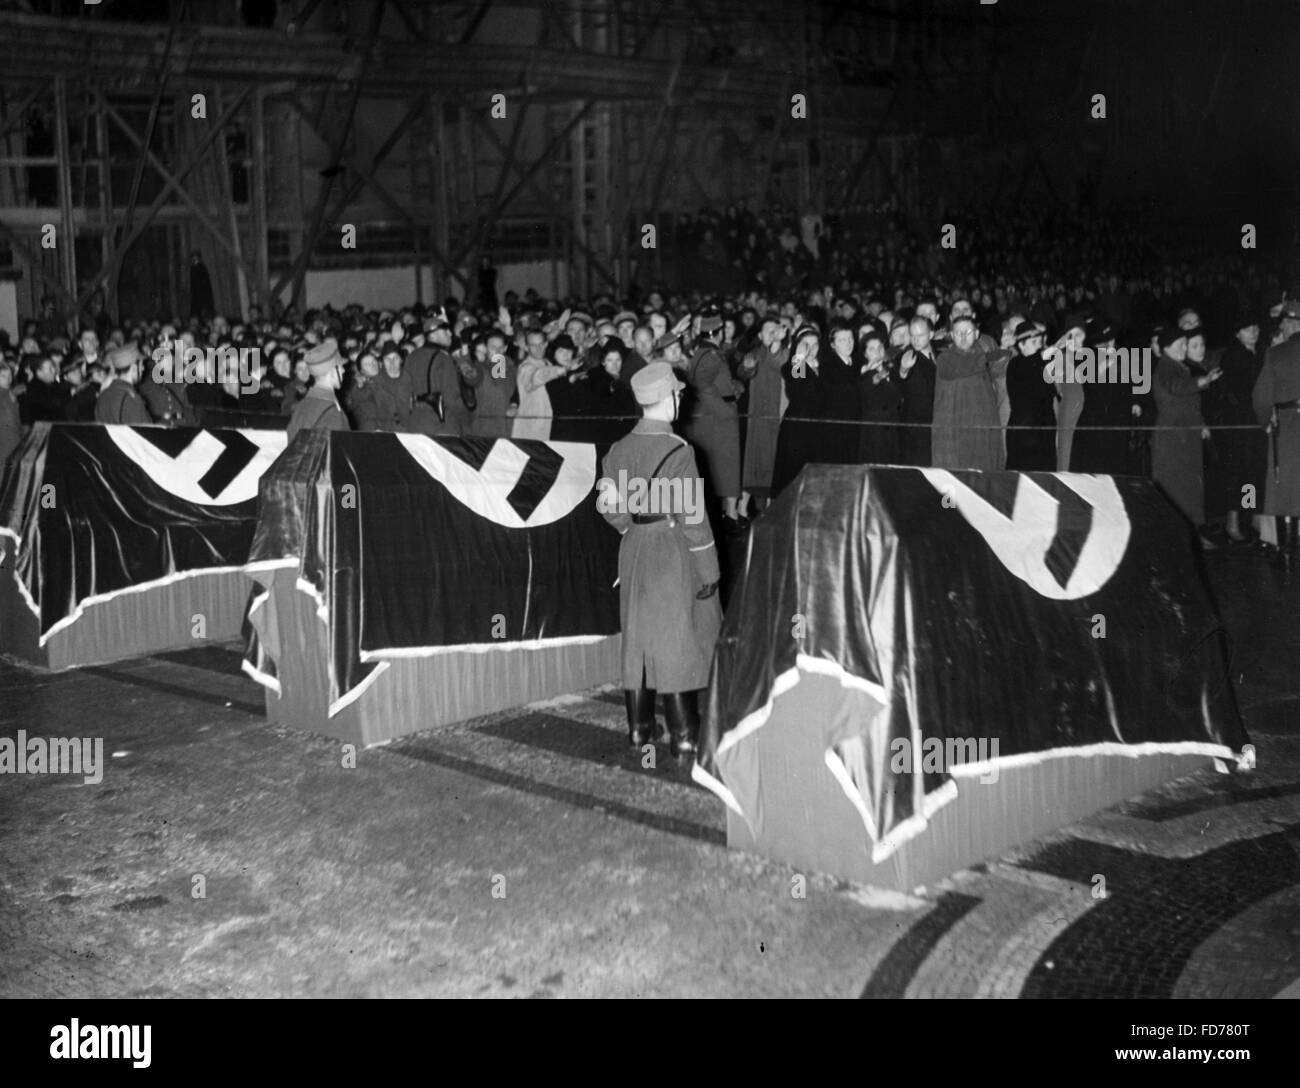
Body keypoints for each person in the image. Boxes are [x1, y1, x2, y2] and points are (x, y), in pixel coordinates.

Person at [598, 362, 721, 760]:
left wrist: (630, 528)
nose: (680, 400)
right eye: (678, 394)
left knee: (639, 638)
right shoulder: (678, 451)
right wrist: (710, 570)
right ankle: (684, 733)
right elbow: (694, 518)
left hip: (634, 547)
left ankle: (639, 730)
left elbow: (607, 506)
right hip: (671, 547)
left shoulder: (617, 449)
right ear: (667, 398)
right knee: (676, 638)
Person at [1151, 325, 1219, 542]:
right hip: (1173, 440)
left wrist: (1201, 424)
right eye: (1180, 345)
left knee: (1188, 490)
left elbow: (1188, 403)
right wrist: (1204, 381)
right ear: (1167, 348)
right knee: (1176, 491)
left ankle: (1191, 537)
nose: (1184, 349)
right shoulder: (1166, 367)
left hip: (1185, 437)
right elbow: (1178, 388)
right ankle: (1180, 541)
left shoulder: (1178, 365)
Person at [1203, 313, 1265, 543]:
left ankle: (1251, 518)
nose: (1254, 331)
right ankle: (1234, 521)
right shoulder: (1235, 356)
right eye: (1248, 328)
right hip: (1242, 423)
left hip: (1256, 421)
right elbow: (1236, 393)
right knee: (1242, 473)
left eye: (1255, 327)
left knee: (1254, 472)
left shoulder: (1257, 353)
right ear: (1238, 333)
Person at [682, 313, 745, 527]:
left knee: (725, 471)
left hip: (742, 417)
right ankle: (730, 517)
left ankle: (733, 515)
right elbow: (796, 377)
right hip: (722, 419)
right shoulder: (710, 354)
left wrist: (734, 386)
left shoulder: (710, 352)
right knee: (724, 470)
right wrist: (725, 409)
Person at [1252, 301, 1300, 571]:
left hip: (1287, 427)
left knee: (1285, 491)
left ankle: (1285, 551)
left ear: (1289, 324)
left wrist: (1265, 422)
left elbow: (1260, 398)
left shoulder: (1275, 354)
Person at [931, 315, 1005, 471]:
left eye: (968, 332)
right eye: (958, 333)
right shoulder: (946, 359)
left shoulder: (982, 359)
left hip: (983, 437)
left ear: (977, 334)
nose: (963, 337)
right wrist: (992, 355)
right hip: (955, 438)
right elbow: (964, 366)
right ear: (951, 335)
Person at [736, 317, 788, 514]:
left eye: (776, 330)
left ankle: (769, 508)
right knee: (754, 462)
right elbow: (743, 372)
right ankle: (742, 507)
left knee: (774, 462)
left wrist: (780, 344)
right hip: (757, 417)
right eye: (768, 331)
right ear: (759, 335)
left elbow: (798, 375)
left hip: (780, 416)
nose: (773, 334)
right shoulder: (756, 353)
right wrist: (747, 368)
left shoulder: (789, 353)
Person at [770, 324, 825, 496]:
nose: (811, 349)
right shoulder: (792, 366)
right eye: (806, 344)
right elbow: (797, 387)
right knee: (792, 477)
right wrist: (799, 358)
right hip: (797, 430)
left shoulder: (825, 367)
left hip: (819, 430)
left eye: (815, 345)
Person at [1004, 321, 1058, 471]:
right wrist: (1041, 357)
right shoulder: (1015, 364)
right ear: (1021, 345)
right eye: (1033, 342)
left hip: (1044, 432)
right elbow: (1026, 368)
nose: (1038, 346)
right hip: (1024, 435)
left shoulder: (1042, 364)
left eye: (1039, 342)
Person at [287, 338, 351, 441]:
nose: (343, 370)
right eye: (340, 367)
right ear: (333, 371)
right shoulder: (331, 411)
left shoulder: (303, 404)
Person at [897, 315, 937, 466]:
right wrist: (903, 370)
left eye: (920, 335)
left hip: (936, 426)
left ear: (931, 335)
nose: (915, 340)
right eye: (912, 335)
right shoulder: (907, 356)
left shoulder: (940, 356)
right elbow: (899, 380)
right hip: (915, 429)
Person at [94, 343, 153, 424]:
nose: (143, 369)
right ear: (133, 368)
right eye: (141, 365)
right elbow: (144, 433)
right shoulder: (131, 399)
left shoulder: (103, 395)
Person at [0, 359, 21, 465]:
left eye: (10, 376)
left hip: (14, 442)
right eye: (3, 376)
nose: (8, 379)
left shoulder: (11, 394)